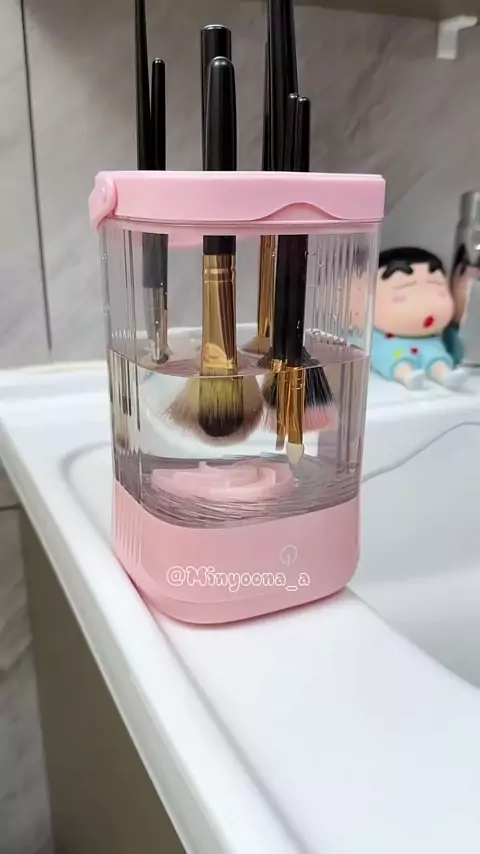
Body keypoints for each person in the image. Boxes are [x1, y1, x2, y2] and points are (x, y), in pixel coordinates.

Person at [372, 247, 467, 390]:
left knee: (436, 357)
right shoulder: (375, 338)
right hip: (392, 346)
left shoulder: (436, 336)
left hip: (430, 343)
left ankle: (445, 375)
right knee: (397, 359)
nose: (428, 304)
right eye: (402, 295)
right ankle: (406, 376)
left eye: (439, 292)